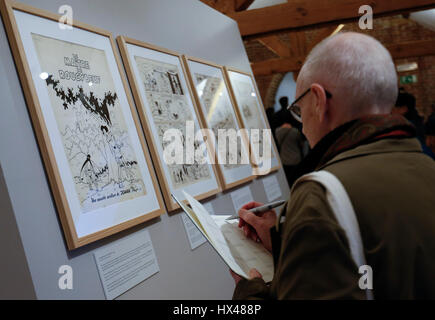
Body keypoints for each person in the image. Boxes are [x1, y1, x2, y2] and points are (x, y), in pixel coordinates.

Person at [230, 32, 435, 299]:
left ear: (318, 100)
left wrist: (251, 292)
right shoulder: (426, 166)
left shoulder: (320, 195)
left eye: (299, 109)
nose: (301, 124)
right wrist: (286, 240)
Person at [393, 89, 434, 159]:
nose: (391, 112)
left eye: (393, 108)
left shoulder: (406, 129)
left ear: (403, 109)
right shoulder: (418, 122)